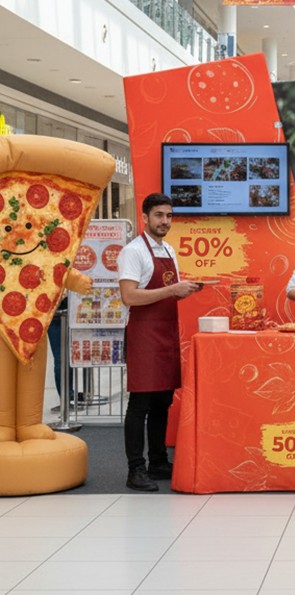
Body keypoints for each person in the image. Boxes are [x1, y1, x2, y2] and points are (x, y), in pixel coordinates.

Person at [117, 194, 202, 493]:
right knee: (140, 403)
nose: (165, 221)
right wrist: (171, 290)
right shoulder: (133, 252)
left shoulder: (168, 249)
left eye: (168, 215)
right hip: (143, 333)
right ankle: (135, 469)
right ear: (145, 217)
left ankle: (157, 461)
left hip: (165, 333)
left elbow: (166, 291)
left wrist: (183, 290)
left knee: (163, 401)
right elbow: (129, 296)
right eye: (159, 215)